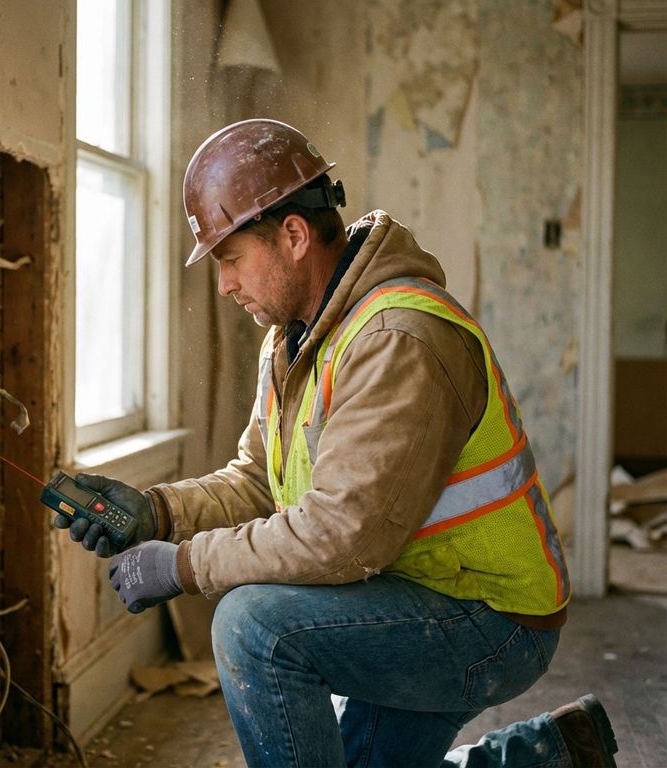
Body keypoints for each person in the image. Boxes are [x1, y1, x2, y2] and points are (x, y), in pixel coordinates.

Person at [54, 118, 619, 767]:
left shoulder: (397, 340)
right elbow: (257, 480)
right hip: (415, 591)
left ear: (293, 235)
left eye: (232, 259)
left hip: (490, 620)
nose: (224, 285)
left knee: (254, 626)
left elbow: (343, 535)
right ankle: (550, 755)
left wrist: (181, 566)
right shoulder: (295, 338)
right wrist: (156, 511)